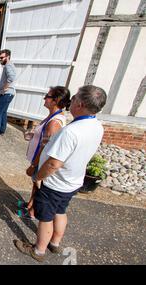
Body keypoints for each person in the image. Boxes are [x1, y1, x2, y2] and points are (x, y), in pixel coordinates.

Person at [14, 85, 107, 262]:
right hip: (73, 181)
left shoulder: (71, 131)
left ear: (79, 104)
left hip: (56, 182)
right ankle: (55, 243)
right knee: (60, 211)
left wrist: (38, 176)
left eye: (74, 99)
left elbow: (54, 163)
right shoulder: (96, 125)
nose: (70, 101)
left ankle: (39, 250)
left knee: (46, 217)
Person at [21, 86, 71, 219]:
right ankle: (30, 204)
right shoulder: (52, 116)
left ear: (56, 100)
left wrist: (33, 166)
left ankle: (32, 212)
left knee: (39, 184)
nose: (44, 98)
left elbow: (46, 148)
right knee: (35, 183)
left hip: (41, 161)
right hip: (38, 160)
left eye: (47, 96)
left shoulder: (54, 123)